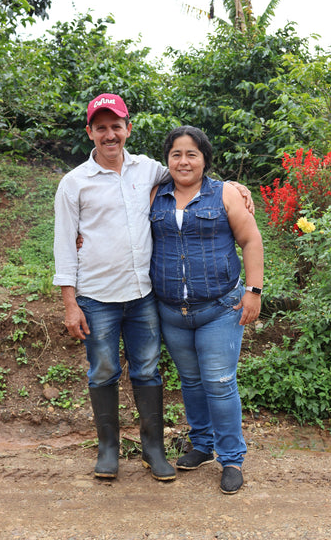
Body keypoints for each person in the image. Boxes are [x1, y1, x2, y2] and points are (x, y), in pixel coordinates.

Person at [54, 93, 253, 483]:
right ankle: (108, 450)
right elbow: (64, 243)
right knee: (103, 371)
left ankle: (153, 450)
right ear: (90, 132)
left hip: (144, 295)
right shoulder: (73, 183)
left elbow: (193, 173)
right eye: (101, 128)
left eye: (116, 126)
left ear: (128, 129)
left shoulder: (148, 170)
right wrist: (70, 303)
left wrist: (232, 184)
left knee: (147, 370)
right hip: (96, 296)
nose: (109, 135)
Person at [149, 125, 264, 495]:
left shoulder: (226, 193)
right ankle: (202, 444)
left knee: (218, 382)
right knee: (192, 382)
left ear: (204, 159)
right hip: (171, 312)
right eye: (176, 154)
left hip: (220, 307)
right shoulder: (155, 194)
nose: (184, 161)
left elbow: (250, 239)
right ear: (167, 160)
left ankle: (232, 458)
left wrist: (253, 291)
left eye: (192, 154)